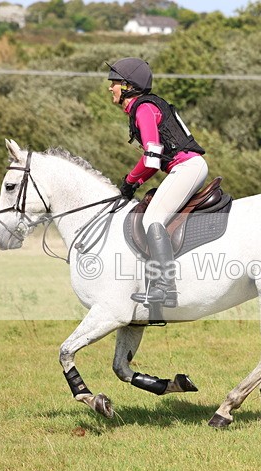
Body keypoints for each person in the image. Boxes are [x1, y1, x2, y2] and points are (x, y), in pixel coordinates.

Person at [107, 57, 208, 308]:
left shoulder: (143, 109)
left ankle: (165, 288)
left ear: (129, 86)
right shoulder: (145, 108)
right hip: (183, 168)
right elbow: (155, 159)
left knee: (152, 218)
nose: (110, 87)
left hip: (187, 168)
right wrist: (135, 182)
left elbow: (151, 157)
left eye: (115, 83)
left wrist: (130, 181)